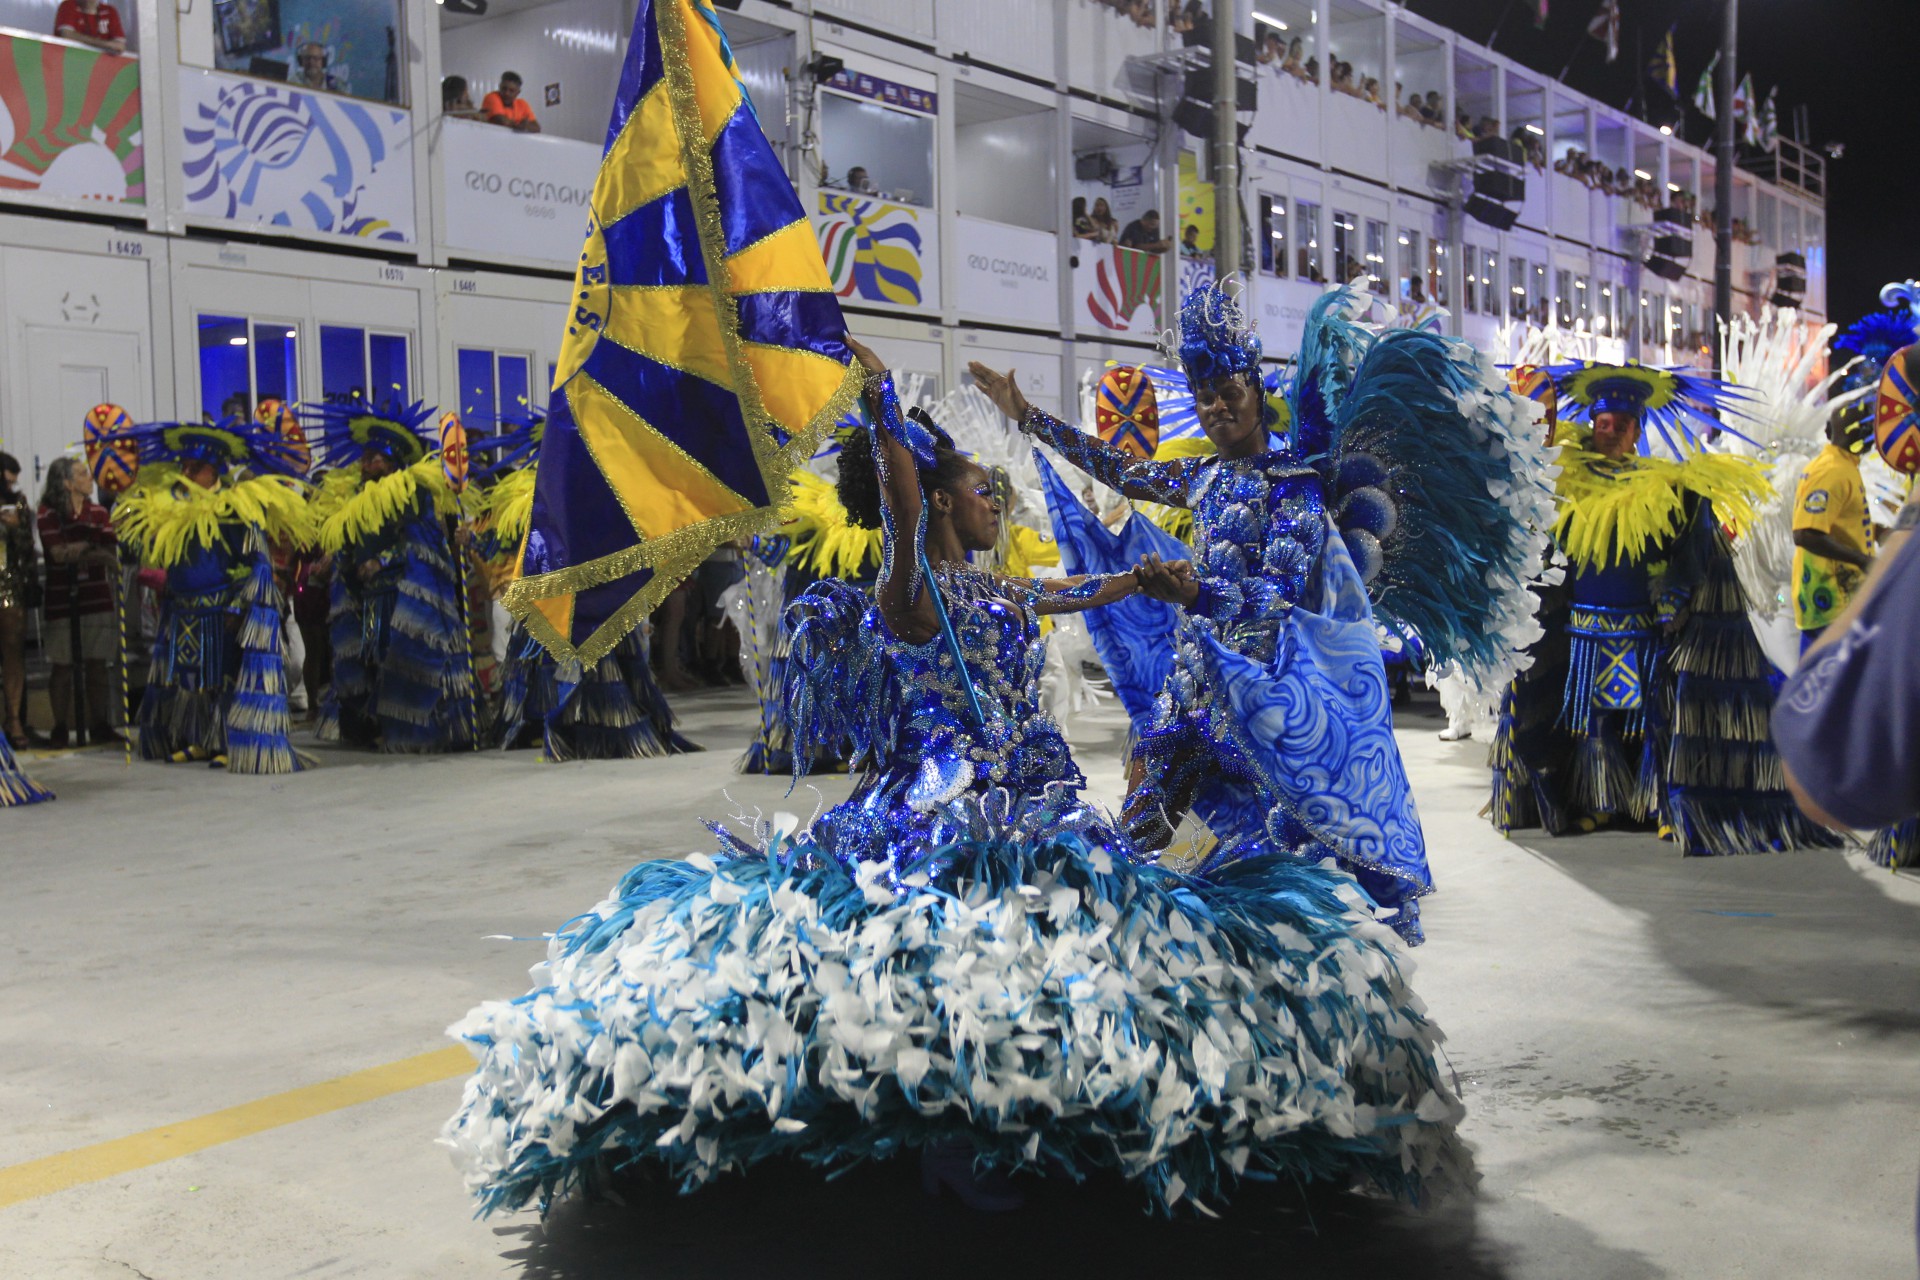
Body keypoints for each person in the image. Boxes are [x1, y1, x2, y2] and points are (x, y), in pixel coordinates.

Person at [443, 338, 1465, 1218]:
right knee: (960, 967)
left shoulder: (997, 584)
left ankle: (1049, 1109)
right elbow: (903, 499)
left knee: (1081, 952)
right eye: (983, 487)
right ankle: (952, 1132)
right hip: (951, 812)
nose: (999, 500)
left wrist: (1143, 577)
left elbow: (1072, 588)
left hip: (1049, 793)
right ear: (939, 498)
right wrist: (887, 407)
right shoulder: (912, 588)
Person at [975, 284, 1552, 944]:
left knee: (1259, 876)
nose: (1216, 407)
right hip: (1191, 695)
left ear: (1257, 391)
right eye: (1203, 395)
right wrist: (1024, 414)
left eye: (1229, 391)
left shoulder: (1293, 489)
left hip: (1264, 707)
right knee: (1151, 849)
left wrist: (1194, 597)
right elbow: (1118, 468)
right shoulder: (1204, 479)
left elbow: (1277, 603)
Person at [1490, 360, 1842, 857]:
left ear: (1636, 430)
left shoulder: (1668, 489)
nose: (1606, 433)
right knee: (1596, 721)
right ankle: (1599, 800)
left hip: (1642, 626)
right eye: (1600, 424)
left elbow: (1692, 550)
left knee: (1649, 718)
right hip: (1584, 628)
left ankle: (1655, 803)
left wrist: (1675, 595)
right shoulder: (1565, 482)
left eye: (1617, 426)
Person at [475, 410, 698, 761]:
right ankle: (538, 723)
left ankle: (596, 727)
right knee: (541, 660)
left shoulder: (601, 486)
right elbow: (504, 543)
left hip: (594, 595)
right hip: (546, 593)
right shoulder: (525, 491)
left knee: (597, 657)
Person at [112, 416, 313, 771]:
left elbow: (257, 561)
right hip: (184, 608)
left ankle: (225, 741)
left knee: (223, 679)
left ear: (215, 470)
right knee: (192, 680)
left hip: (222, 609)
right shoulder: (174, 507)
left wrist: (239, 605)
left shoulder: (237, 506)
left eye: (196, 468)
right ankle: (198, 740)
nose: (188, 474)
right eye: (185, 467)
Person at [309, 399, 477, 753]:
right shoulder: (358, 496)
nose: (367, 464)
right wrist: (335, 559)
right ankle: (371, 725)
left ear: (394, 460)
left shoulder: (412, 492)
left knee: (400, 659)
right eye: (365, 457)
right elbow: (352, 538)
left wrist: (382, 562)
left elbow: (421, 543)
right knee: (371, 660)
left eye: (375, 458)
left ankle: (409, 727)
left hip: (404, 594)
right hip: (368, 597)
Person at [1773, 491, 1920, 845]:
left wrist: (1907, 531)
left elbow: (1823, 764)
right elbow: (1805, 532)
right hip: (1824, 601)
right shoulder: (1829, 471)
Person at [36, 456, 119, 749]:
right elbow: (58, 553)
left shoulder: (98, 512)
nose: (90, 479)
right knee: (63, 666)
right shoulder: (48, 514)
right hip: (62, 600)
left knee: (98, 664)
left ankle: (100, 723)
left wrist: (83, 548)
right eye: (83, 474)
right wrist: (91, 547)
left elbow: (110, 550)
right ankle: (60, 726)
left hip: (97, 597)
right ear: (67, 483)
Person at [1791, 402, 1878, 651]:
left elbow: (1834, 523)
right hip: (1832, 600)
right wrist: (1862, 560)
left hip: (1835, 600)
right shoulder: (1833, 471)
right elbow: (1805, 534)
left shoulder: (1841, 465)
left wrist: (1876, 531)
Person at [0, 451, 34, 746]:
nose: (12, 484)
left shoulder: (18, 502)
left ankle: (14, 719)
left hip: (9, 583)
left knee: (13, 650)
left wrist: (17, 527)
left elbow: (27, 548)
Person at [53, 0, 125, 54]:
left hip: (102, 66)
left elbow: (119, 46)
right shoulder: (68, 5)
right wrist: (106, 44)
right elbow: (66, 35)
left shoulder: (110, 11)